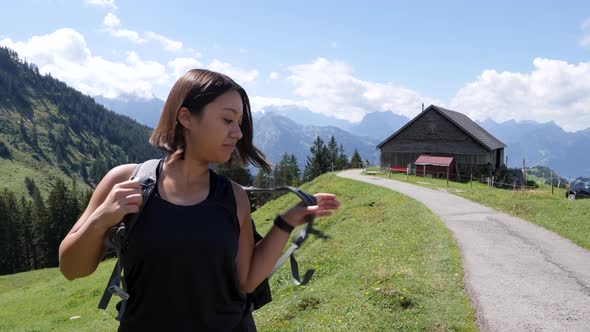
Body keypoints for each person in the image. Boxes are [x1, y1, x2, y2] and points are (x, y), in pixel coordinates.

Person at [58, 69, 340, 331]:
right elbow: (71, 269)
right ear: (186, 117)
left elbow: (247, 280)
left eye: (239, 123)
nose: (238, 133)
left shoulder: (233, 197)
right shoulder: (126, 181)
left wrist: (286, 221)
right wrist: (100, 220)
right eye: (228, 120)